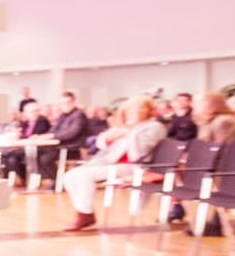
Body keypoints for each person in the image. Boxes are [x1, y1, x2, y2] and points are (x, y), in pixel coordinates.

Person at [61, 95, 167, 231]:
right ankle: (86, 213)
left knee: (84, 176)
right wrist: (109, 137)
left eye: (135, 109)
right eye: (130, 110)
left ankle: (83, 215)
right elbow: (101, 144)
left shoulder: (154, 127)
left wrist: (130, 133)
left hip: (135, 167)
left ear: (146, 111)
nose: (130, 113)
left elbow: (137, 154)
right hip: (113, 164)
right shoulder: (129, 126)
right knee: (70, 176)